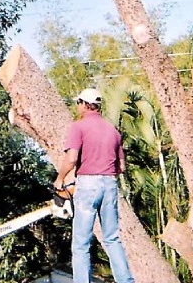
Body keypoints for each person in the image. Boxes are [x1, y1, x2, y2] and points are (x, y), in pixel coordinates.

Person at [57, 88, 135, 283]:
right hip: (109, 184)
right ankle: (126, 281)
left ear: (84, 104)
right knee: (111, 238)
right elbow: (121, 167)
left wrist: (59, 180)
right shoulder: (113, 131)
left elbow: (72, 159)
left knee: (81, 244)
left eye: (78, 103)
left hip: (88, 183)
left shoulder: (78, 127)